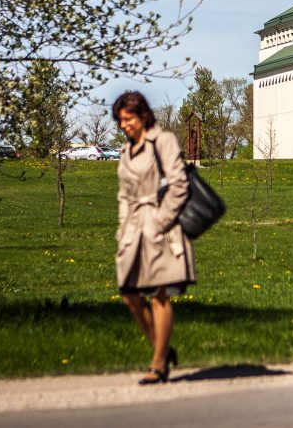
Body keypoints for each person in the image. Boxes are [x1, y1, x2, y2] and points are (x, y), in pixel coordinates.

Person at [112, 91, 195, 385]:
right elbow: (124, 194)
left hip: (162, 228)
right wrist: (123, 230)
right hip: (134, 230)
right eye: (120, 121)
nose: (124, 125)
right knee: (129, 294)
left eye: (128, 119)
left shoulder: (163, 141)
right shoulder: (125, 151)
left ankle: (159, 363)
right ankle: (163, 347)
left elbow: (179, 186)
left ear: (142, 115)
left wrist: (160, 222)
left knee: (160, 296)